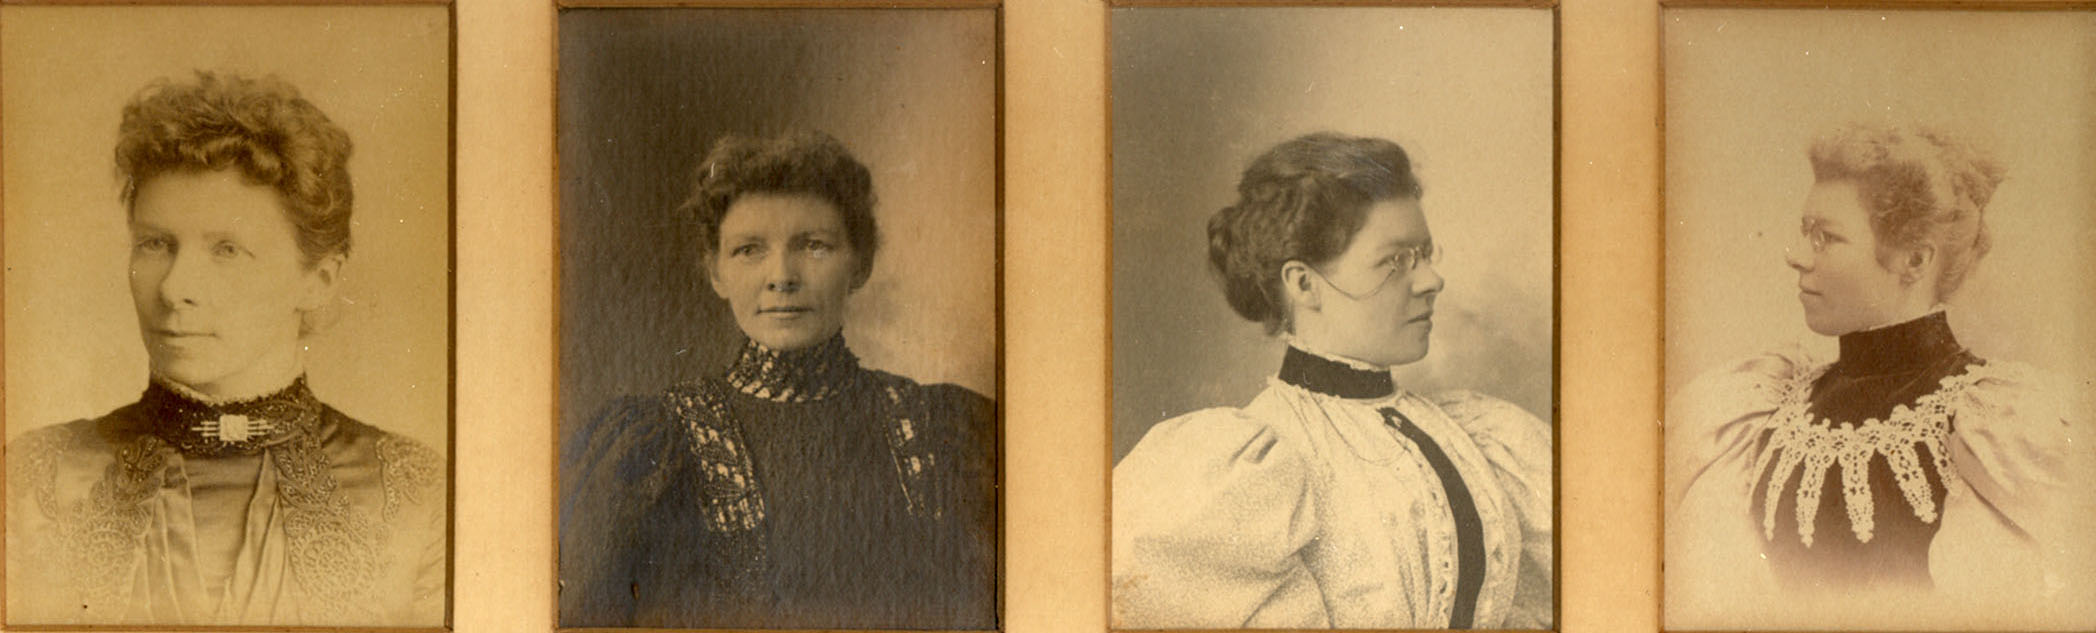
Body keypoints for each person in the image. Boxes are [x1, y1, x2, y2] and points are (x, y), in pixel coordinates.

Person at [3, 72, 445, 627]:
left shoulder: (414, 495)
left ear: (319, 280)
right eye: (155, 244)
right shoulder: (33, 481)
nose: (173, 288)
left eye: (227, 250)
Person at [1112, 132, 1553, 629]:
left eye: (1426, 254)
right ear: (1304, 285)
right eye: (1396, 260)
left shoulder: (1478, 436)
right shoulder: (1252, 467)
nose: (1432, 280)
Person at [558, 131, 997, 630]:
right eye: (749, 250)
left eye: (814, 246)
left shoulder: (942, 428)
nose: (782, 276)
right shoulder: (654, 444)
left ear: (860, 264)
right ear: (716, 273)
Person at [1667, 122, 2091, 623]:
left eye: (1825, 237)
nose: (1797, 257)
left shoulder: (2005, 425)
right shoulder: (1761, 408)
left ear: (1914, 259)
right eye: (1806, 232)